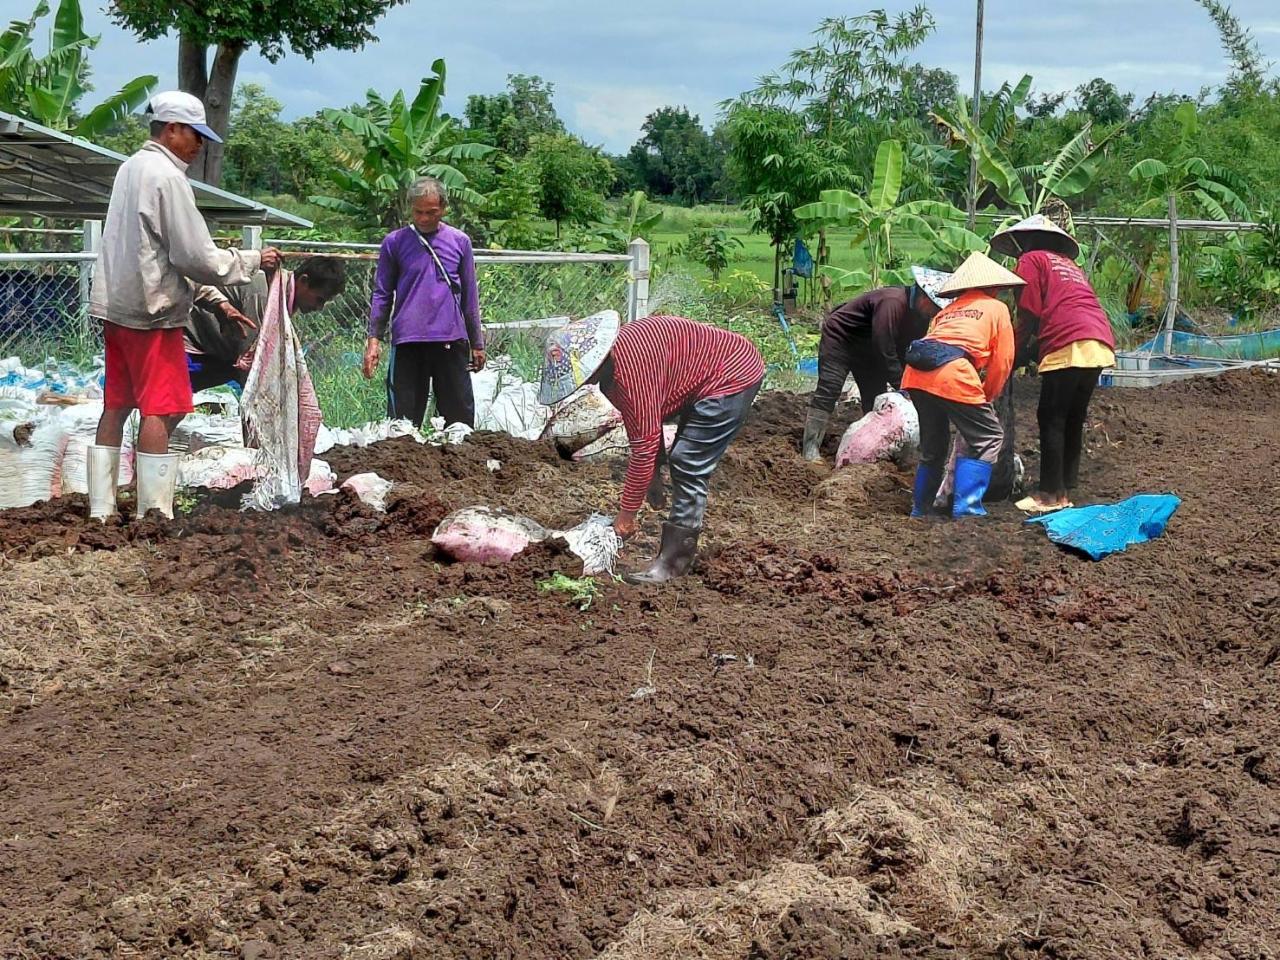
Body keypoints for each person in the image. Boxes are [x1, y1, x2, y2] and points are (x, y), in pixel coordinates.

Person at [87, 91, 281, 521]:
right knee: (163, 406)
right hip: (152, 313)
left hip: (117, 307)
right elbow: (196, 257)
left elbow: (154, 249)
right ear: (172, 129)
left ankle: (101, 508)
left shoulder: (130, 168)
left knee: (117, 405)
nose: (200, 145)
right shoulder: (168, 178)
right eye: (196, 135)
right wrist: (252, 260)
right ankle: (153, 512)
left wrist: (216, 302)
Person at [539, 312, 765, 584]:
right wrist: (653, 478)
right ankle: (673, 553)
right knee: (681, 456)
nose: (583, 384)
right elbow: (645, 425)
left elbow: (644, 447)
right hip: (710, 373)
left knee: (687, 461)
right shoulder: (614, 370)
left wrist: (626, 517)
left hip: (733, 374)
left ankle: (673, 563)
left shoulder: (630, 371)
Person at [990, 215, 1117, 514]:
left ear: (1025, 240)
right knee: (1073, 415)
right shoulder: (1069, 266)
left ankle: (1049, 495)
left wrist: (1012, 352)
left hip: (1068, 338)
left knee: (1051, 416)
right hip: (1098, 338)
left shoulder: (1030, 260)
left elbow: (1029, 311)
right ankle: (1066, 486)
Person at [901, 252, 1022, 519]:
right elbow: (1003, 361)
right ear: (994, 286)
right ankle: (966, 508)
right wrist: (987, 394)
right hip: (953, 372)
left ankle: (920, 509)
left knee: (933, 447)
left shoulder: (947, 311)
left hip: (915, 374)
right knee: (989, 436)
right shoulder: (997, 308)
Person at [363, 177, 485, 429]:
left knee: (459, 422)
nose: (424, 218)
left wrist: (477, 343)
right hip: (408, 342)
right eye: (418, 212)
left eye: (432, 212)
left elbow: (470, 297)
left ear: (444, 209)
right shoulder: (394, 243)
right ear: (411, 208)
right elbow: (382, 294)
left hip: (450, 340)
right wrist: (374, 340)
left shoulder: (459, 242)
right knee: (402, 424)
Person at [803, 266, 953, 461]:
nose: (936, 312)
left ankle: (869, 447)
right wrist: (901, 385)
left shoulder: (920, 316)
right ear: (924, 298)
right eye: (935, 307)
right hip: (842, 338)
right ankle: (810, 448)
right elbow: (884, 345)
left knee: (875, 395)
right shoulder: (892, 302)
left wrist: (911, 383)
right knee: (829, 388)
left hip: (869, 347)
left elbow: (907, 351)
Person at [186, 256, 347, 392]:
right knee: (176, 406)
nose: (319, 308)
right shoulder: (264, 295)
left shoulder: (280, 297)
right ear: (303, 281)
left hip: (211, 347)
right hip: (191, 342)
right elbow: (252, 360)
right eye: (319, 299)